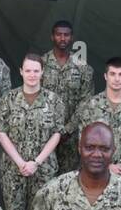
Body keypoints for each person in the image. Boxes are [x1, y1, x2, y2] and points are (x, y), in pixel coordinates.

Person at [0, 54, 64, 210]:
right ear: (21, 72)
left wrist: (36, 162)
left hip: (43, 168)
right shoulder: (8, 100)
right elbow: (1, 132)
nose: (32, 75)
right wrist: (21, 162)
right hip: (14, 168)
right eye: (28, 70)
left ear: (43, 72)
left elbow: (57, 133)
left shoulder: (54, 101)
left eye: (36, 71)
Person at [70, 57, 121, 183]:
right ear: (105, 76)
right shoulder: (90, 105)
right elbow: (83, 141)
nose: (117, 79)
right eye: (112, 74)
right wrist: (106, 166)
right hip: (95, 173)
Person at [40, 20, 94, 174]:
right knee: (44, 177)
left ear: (71, 38)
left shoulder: (83, 67)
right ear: (52, 37)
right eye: (58, 34)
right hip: (44, 133)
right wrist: (52, 128)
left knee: (67, 178)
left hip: (71, 137)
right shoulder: (41, 64)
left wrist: (68, 129)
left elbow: (86, 101)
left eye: (66, 35)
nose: (62, 38)